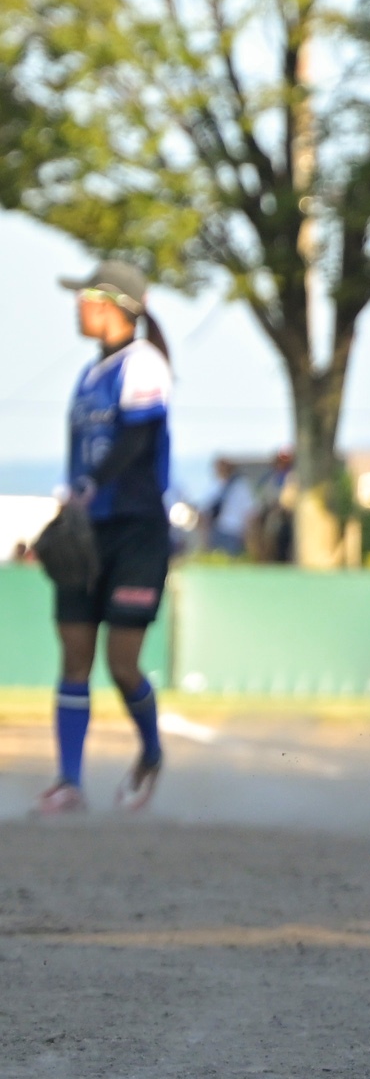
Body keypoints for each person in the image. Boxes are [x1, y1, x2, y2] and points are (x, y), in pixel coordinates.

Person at [38, 261, 173, 815]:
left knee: (121, 662)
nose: (78, 305)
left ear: (115, 305)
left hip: (136, 531)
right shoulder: (90, 374)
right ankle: (69, 781)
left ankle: (151, 753)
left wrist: (91, 485)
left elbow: (137, 440)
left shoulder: (143, 363)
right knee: (74, 653)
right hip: (88, 530)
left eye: (86, 296)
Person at [204, 457, 254, 557]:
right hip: (217, 530)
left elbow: (251, 511)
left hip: (234, 532)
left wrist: (248, 535)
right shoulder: (217, 486)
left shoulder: (241, 486)